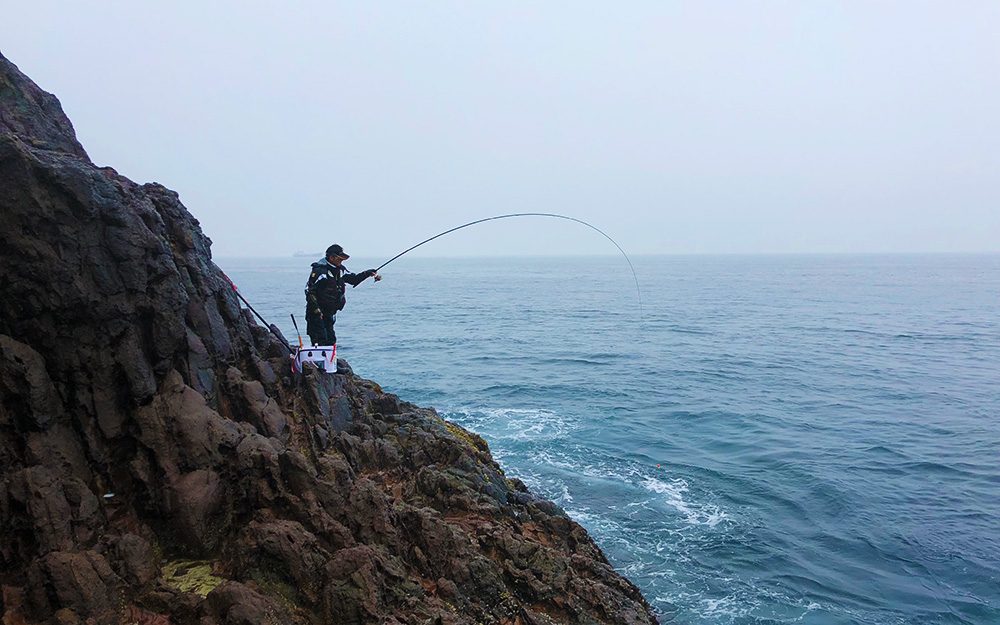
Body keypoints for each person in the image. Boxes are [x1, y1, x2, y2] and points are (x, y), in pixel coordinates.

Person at [304, 244, 377, 346]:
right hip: (317, 313)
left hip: (330, 312)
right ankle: (317, 361)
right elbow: (309, 291)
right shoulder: (320, 271)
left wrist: (366, 274)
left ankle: (329, 361)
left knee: (331, 339)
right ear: (331, 258)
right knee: (320, 339)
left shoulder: (340, 270)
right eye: (339, 259)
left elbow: (353, 279)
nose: (341, 262)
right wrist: (316, 310)